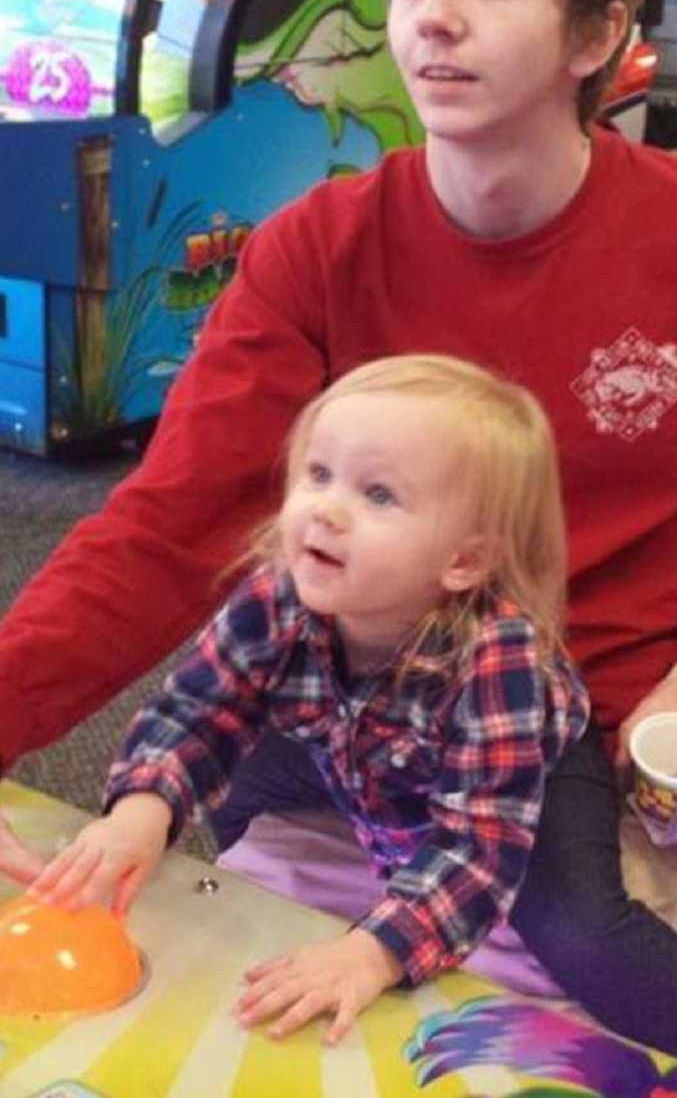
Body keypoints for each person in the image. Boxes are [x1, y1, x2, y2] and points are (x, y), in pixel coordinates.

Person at [0, 0, 677, 1085]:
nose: (434, 17)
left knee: (575, 970)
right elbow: (169, 526)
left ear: (598, 38)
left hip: (573, 719)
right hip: (347, 693)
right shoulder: (317, 246)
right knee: (202, 925)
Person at [28, 354, 592, 1043]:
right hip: (364, 750)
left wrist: (374, 951)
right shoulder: (283, 590)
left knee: (582, 942)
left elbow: (478, 847)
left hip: (522, 776)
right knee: (250, 849)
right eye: (319, 474)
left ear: (464, 561)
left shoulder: (500, 660)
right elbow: (198, 711)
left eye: (378, 494)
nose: (326, 507)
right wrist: (140, 811)